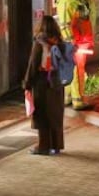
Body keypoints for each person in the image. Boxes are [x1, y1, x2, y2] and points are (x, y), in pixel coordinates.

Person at [23, 14, 68, 155]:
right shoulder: (60, 43)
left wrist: (27, 84)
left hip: (42, 82)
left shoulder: (40, 43)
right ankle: (57, 145)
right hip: (57, 82)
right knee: (55, 114)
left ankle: (43, 146)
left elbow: (33, 64)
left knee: (41, 114)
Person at [55, 0, 96, 109]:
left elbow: (90, 6)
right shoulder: (66, 2)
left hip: (80, 42)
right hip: (75, 44)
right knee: (77, 70)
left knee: (72, 70)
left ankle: (68, 98)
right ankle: (78, 101)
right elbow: (64, 25)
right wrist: (71, 43)